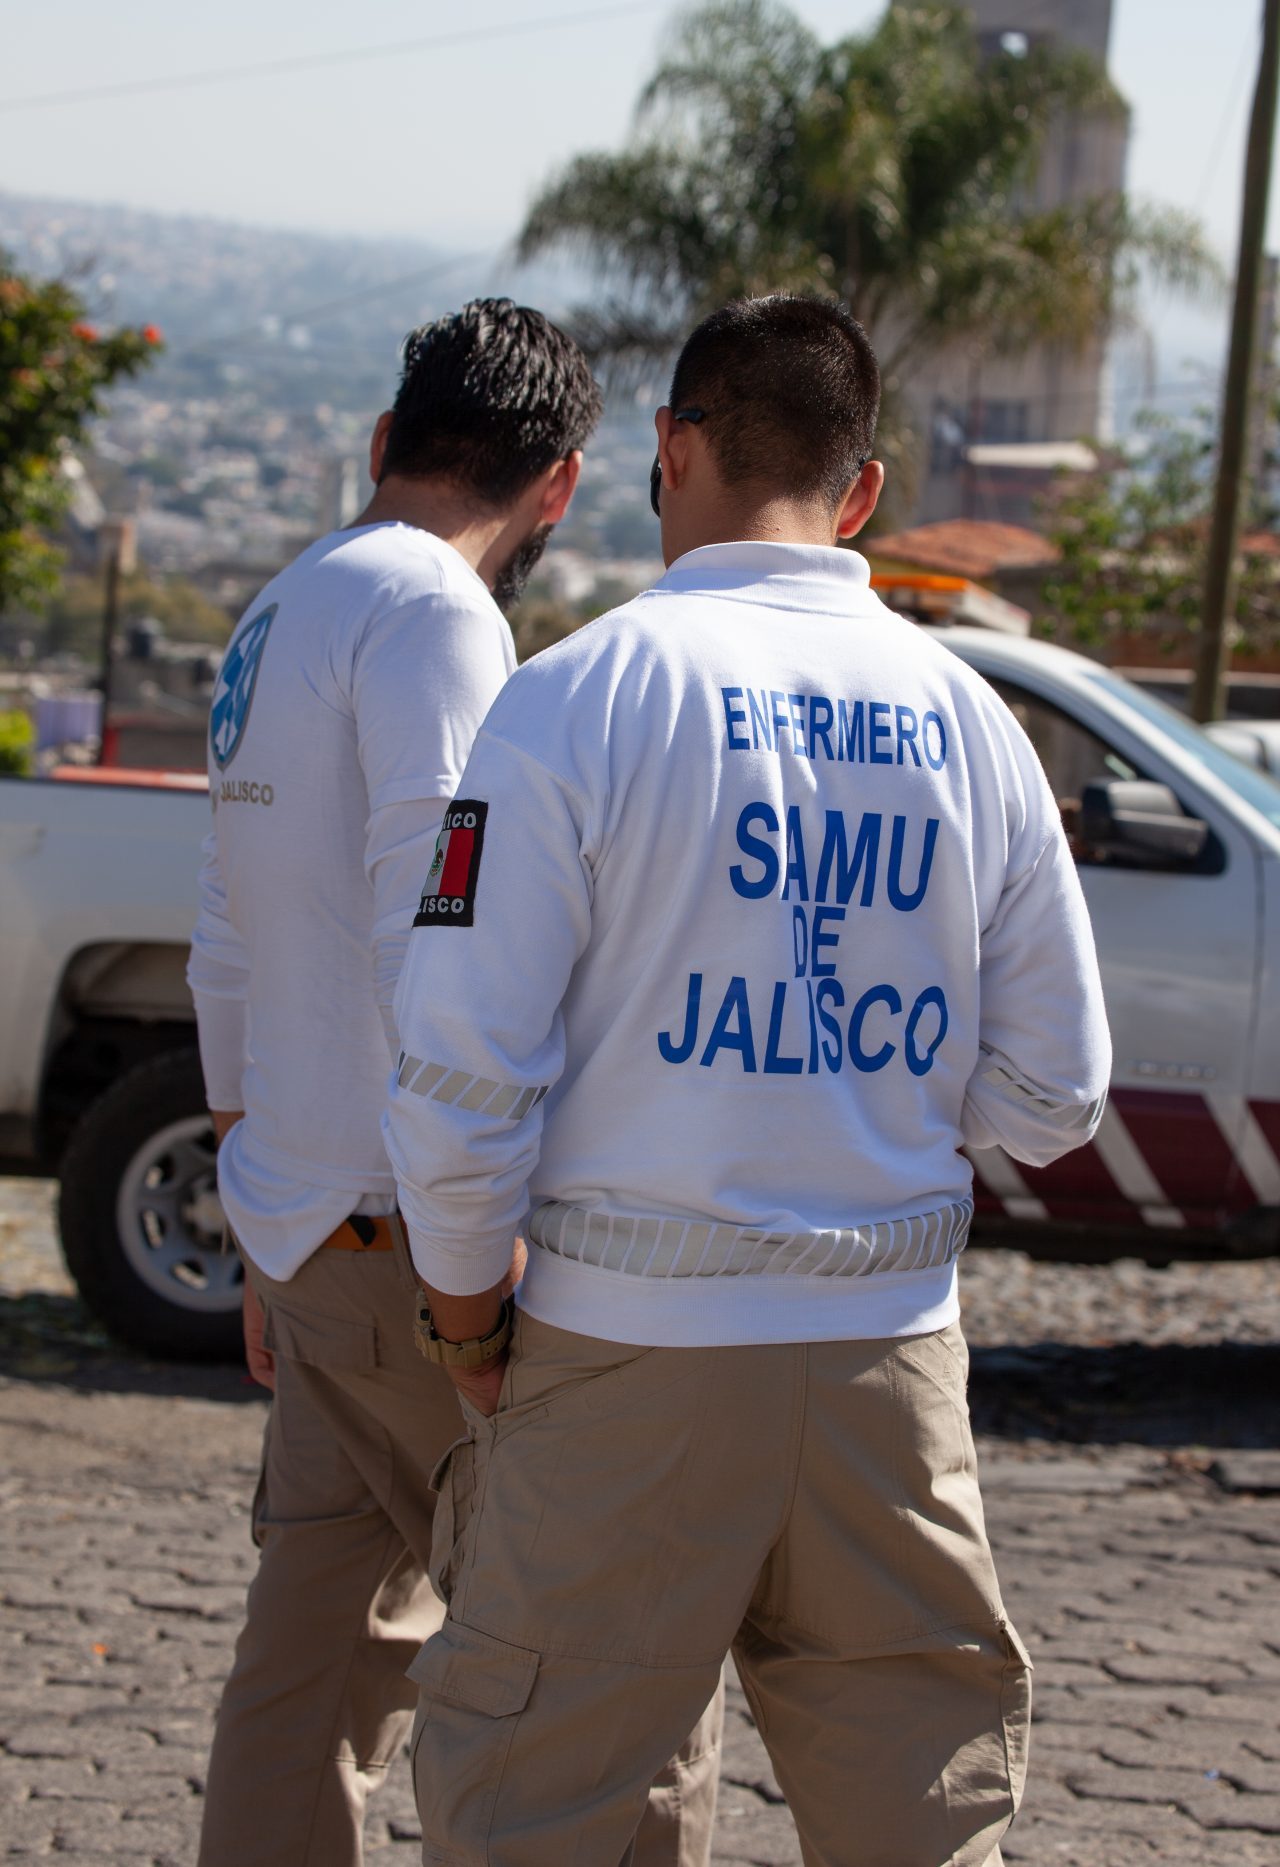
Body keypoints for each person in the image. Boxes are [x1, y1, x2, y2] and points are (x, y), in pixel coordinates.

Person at [384, 294, 1112, 1867]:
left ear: (671, 450)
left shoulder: (576, 697)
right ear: (861, 492)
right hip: (889, 1371)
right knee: (929, 1831)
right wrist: (883, 1113)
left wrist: (461, 1315)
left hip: (623, 1358)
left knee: (549, 1813)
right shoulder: (975, 721)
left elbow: (456, 1074)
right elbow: (1059, 1094)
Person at [188, 298, 723, 1867]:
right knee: (613, 1665)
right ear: (560, 489)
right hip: (415, 1253)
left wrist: (255, 1198)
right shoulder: (437, 615)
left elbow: (225, 946)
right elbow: (444, 950)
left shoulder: (279, 612)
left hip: (310, 1234)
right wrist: (475, 1268)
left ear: (381, 442)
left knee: (306, 1678)